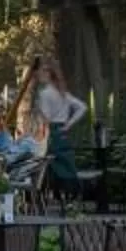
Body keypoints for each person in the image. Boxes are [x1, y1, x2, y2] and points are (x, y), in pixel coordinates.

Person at [28, 54, 87, 201]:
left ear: (47, 74)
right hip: (63, 132)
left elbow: (46, 117)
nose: (38, 76)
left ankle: (39, 194)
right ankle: (71, 195)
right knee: (66, 163)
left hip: (52, 131)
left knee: (46, 162)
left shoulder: (44, 94)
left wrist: (38, 110)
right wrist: (69, 124)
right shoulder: (63, 93)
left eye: (41, 73)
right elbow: (82, 107)